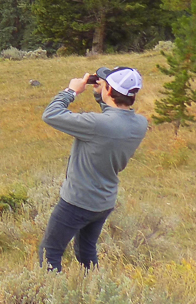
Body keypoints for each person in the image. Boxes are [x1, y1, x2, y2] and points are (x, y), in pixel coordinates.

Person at [38, 67, 148, 271]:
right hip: (104, 201)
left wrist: (71, 91)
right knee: (86, 252)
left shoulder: (97, 125)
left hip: (77, 201)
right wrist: (102, 96)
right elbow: (114, 118)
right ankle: (94, 291)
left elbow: (51, 115)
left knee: (50, 251)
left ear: (109, 90)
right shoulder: (140, 123)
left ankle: (51, 299)